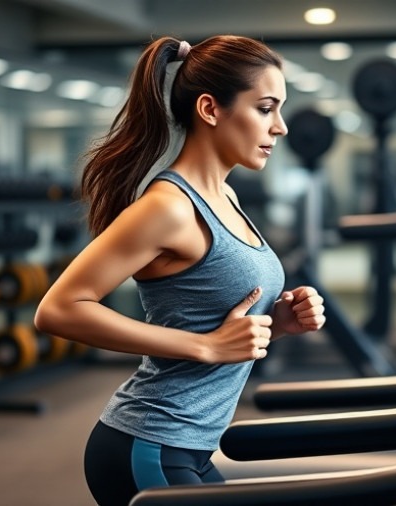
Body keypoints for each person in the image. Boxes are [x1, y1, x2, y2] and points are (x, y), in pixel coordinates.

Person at [34, 34, 325, 506]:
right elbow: (59, 309)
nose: (281, 127)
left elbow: (211, 317)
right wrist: (204, 346)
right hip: (148, 443)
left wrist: (280, 324)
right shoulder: (169, 208)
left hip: (189, 447)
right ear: (210, 109)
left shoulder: (226, 198)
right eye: (266, 108)